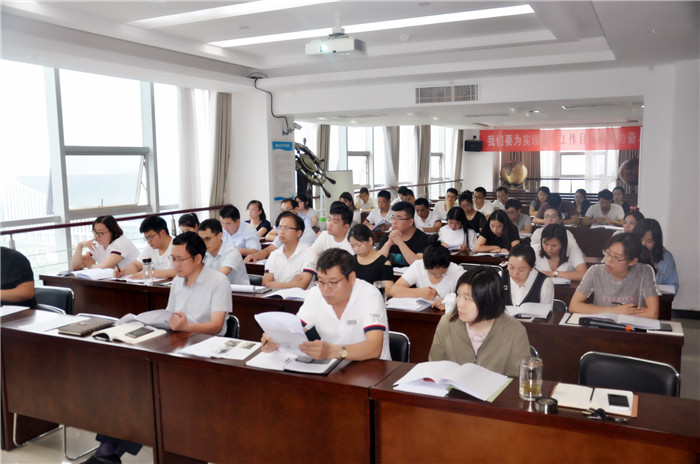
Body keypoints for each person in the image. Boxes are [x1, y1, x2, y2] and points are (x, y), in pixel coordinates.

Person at [84, 232, 230, 464]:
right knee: (135, 385)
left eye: (180, 259)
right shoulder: (177, 281)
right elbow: (169, 316)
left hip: (205, 353)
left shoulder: (218, 281)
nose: (175, 265)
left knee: (154, 392)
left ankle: (108, 453)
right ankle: (108, 451)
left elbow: (217, 325)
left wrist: (187, 326)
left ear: (198, 258)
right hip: (177, 346)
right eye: (173, 259)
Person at [261, 248, 391, 361]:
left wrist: (332, 351)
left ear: (351, 278)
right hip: (332, 366)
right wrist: (275, 339)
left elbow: (374, 348)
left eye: (333, 282)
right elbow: (295, 329)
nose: (326, 289)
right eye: (321, 282)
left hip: (372, 369)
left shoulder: (369, 295)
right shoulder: (315, 294)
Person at [428, 268, 530, 377]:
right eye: (458, 295)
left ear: (489, 301)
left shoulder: (514, 331)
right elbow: (435, 369)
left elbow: (517, 380)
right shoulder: (447, 323)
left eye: (467, 298)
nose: (460, 304)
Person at [570, 233, 659, 319]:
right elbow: (574, 306)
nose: (609, 260)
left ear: (632, 261)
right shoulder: (595, 271)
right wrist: (614, 311)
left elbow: (653, 313)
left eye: (617, 257)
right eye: (608, 253)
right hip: (602, 324)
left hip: (631, 325)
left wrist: (624, 313)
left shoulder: (644, 272)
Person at [389, 238, 465, 310]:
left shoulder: (457, 271)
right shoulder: (418, 266)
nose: (437, 276)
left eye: (442, 274)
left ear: (448, 265)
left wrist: (451, 302)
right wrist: (420, 292)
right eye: (432, 274)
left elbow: (469, 295)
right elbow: (393, 290)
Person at [263, 212, 317, 289]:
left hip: (299, 296)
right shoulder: (274, 254)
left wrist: (274, 284)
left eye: (287, 228)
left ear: (298, 233)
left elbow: (301, 285)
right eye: (280, 227)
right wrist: (292, 283)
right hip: (276, 295)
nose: (281, 231)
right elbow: (265, 284)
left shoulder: (309, 253)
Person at [115, 215, 176, 279]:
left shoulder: (178, 245)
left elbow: (178, 271)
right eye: (146, 238)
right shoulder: (150, 248)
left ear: (162, 233)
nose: (148, 241)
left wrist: (151, 273)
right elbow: (137, 265)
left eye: (150, 237)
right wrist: (123, 271)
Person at [71, 215, 139, 271]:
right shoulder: (99, 245)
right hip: (113, 280)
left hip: (134, 279)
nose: (96, 237)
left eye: (101, 233)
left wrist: (91, 266)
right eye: (95, 232)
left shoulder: (121, 242)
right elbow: (76, 266)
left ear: (112, 231)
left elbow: (106, 267)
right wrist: (80, 245)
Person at [377, 201, 430, 267]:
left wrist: (400, 242)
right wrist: (388, 244)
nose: (394, 222)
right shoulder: (387, 236)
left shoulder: (423, 239)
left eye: (398, 218)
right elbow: (377, 262)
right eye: (393, 218)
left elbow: (418, 264)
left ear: (410, 222)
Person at [198, 219, 249, 285]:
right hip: (215, 289)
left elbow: (219, 277)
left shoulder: (232, 252)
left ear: (220, 235)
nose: (204, 243)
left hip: (237, 291)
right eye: (202, 240)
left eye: (208, 239)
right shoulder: (202, 252)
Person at [634, 219, 679, 292]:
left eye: (649, 241)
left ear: (656, 242)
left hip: (658, 297)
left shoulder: (666, 257)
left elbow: (673, 287)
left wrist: (652, 289)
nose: (643, 244)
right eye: (640, 239)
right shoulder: (628, 254)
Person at [348, 224, 394, 294]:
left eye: (359, 245)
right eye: (353, 246)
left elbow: (388, 291)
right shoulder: (350, 261)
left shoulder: (384, 263)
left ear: (370, 241)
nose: (356, 249)